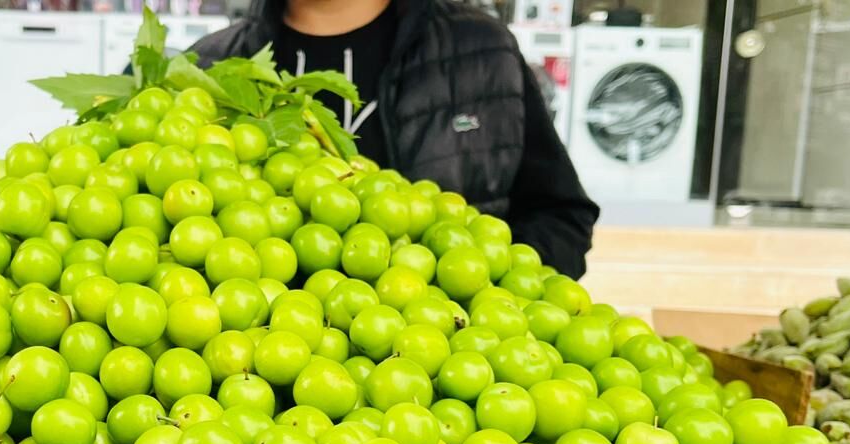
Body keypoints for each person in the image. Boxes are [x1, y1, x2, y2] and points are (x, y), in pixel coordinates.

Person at [189, 0, 598, 278]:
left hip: (449, 381)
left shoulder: (482, 50)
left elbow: (562, 216)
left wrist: (478, 284)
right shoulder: (207, 73)